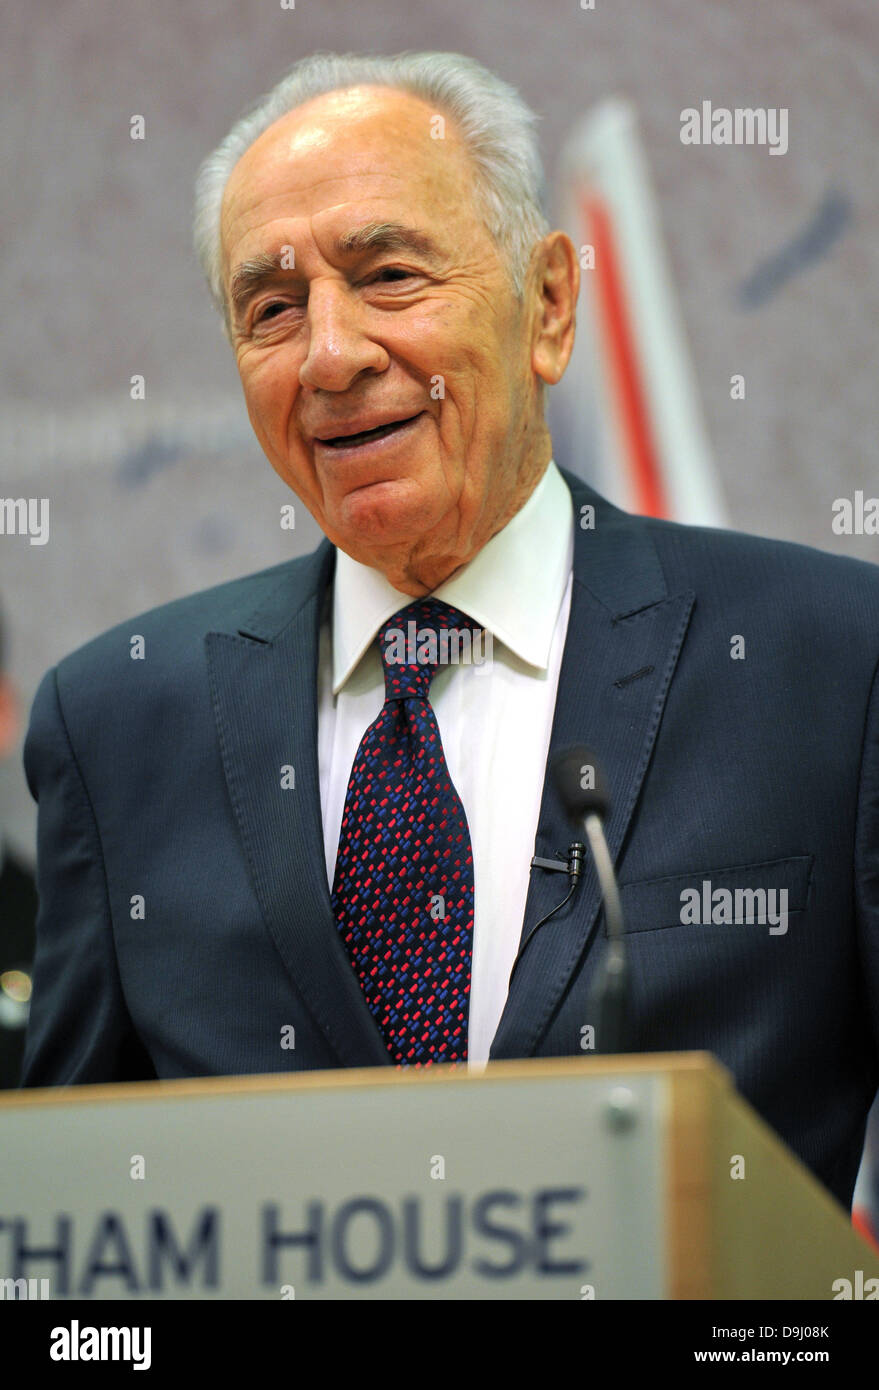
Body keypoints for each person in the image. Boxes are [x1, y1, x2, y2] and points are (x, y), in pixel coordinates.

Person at [20, 51, 879, 1214]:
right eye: (271, 308)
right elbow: (74, 1223)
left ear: (550, 304)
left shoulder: (829, 664)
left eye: (387, 275)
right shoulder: (119, 723)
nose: (331, 354)